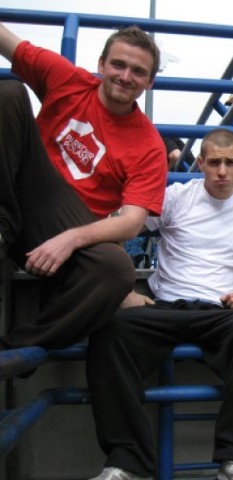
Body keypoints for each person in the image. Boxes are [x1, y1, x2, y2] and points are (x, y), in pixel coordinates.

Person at [87, 129, 233, 480]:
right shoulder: (175, 197)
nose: (221, 170)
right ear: (201, 163)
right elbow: (116, 230)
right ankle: (125, 461)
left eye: (229, 163)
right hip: (167, 305)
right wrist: (124, 291)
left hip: (220, 311)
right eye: (214, 162)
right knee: (110, 331)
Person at [0, 23, 167, 351]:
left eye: (138, 71)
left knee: (117, 269)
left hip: (64, 225)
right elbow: (8, 41)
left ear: (149, 82)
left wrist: (71, 238)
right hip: (22, 189)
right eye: (118, 65)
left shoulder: (149, 145)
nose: (125, 76)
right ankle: (1, 228)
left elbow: (132, 222)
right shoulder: (68, 79)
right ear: (101, 64)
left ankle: (14, 351)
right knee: (9, 94)